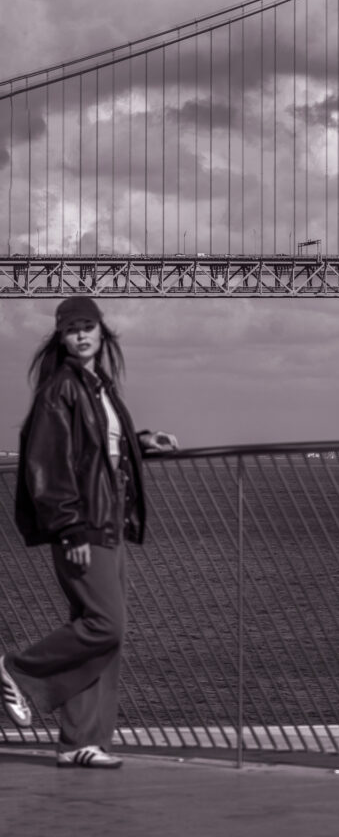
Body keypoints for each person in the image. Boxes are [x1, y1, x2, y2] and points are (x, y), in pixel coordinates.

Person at [0, 296, 178, 769]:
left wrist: (143, 443)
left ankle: (80, 741)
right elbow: (46, 465)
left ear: (102, 333)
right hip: (84, 527)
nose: (80, 335)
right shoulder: (61, 389)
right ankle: (18, 671)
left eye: (87, 327)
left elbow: (98, 449)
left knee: (103, 633)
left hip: (109, 521)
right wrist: (69, 528)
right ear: (61, 338)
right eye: (71, 329)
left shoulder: (98, 387)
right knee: (106, 624)